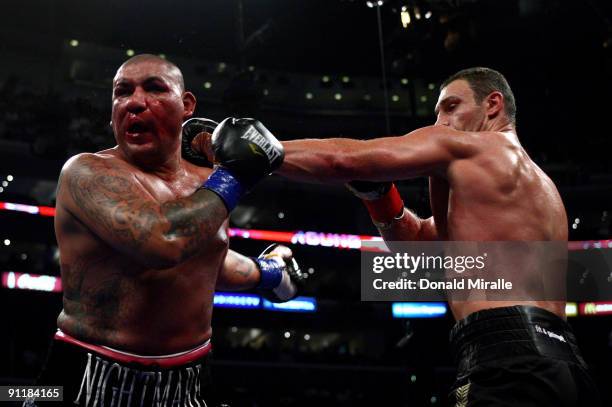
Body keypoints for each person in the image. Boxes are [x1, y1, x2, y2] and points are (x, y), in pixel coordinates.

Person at [196, 67, 600, 406]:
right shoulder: (542, 189)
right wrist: (380, 198)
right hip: (564, 364)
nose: (441, 122)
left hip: (506, 357)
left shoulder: (473, 148)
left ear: (493, 105)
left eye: (452, 107)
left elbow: (344, 158)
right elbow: (421, 245)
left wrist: (256, 147)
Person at [36, 54, 304, 407]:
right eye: (122, 92)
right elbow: (163, 241)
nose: (134, 102)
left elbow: (207, 262)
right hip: (86, 378)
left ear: (186, 104)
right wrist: (238, 173)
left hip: (191, 380)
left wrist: (270, 273)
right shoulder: (86, 173)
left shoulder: (208, 185)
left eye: (154, 88)